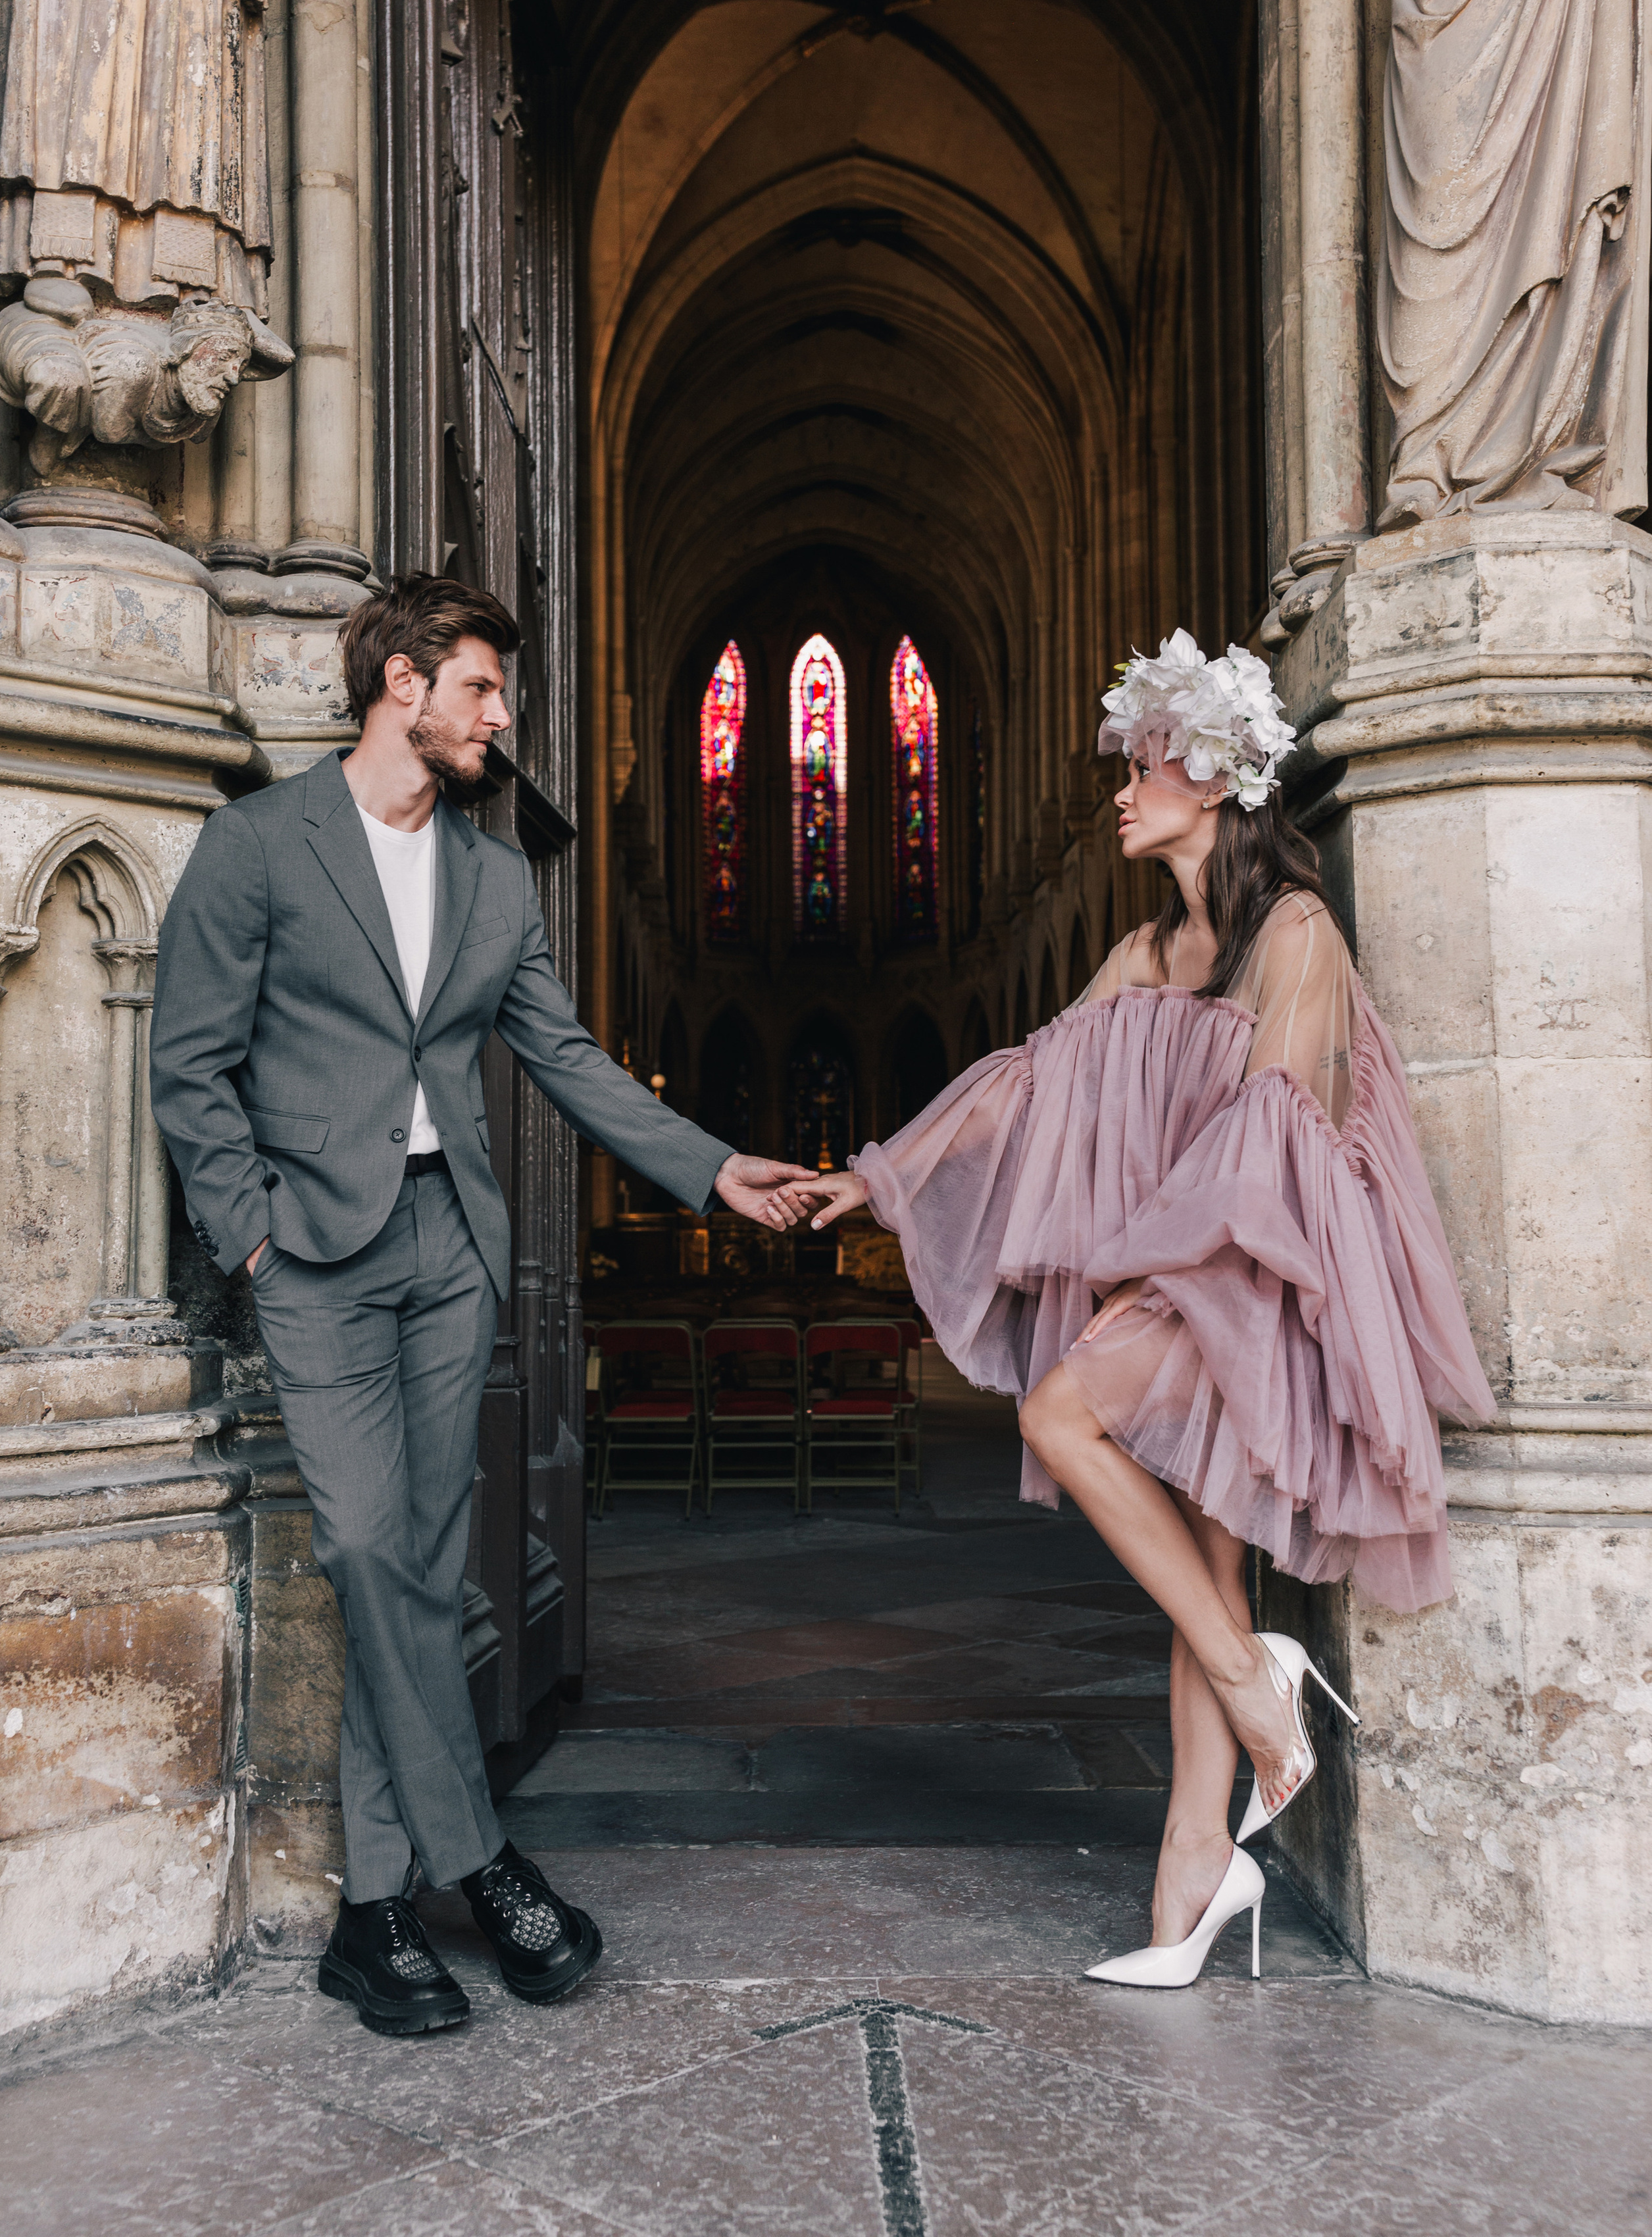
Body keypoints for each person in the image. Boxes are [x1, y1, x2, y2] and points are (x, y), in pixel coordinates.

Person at [775, 631, 1495, 1988]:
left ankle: (1245, 1697)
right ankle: (1191, 1880)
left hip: (1253, 1279)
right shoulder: (1141, 948)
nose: (1119, 792)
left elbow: (1279, 1135)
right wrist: (874, 1182)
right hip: (1175, 1276)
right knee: (1206, 1571)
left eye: (1146, 768)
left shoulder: (1291, 929)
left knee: (1058, 1415)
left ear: (1214, 783)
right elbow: (1023, 1085)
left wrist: (1153, 1260)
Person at [151, 575, 817, 2036]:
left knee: (418, 1564)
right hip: (314, 1255)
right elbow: (191, 1066)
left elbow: (566, 1061)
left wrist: (712, 1171)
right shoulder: (259, 845)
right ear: (401, 681)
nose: (500, 717)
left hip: (450, 1249)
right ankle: (485, 1864)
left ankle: (374, 1917)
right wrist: (251, 1240)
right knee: (369, 1547)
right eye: (482, 689)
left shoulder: (496, 877)